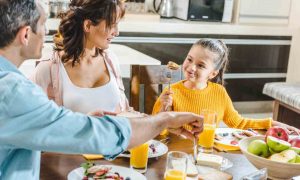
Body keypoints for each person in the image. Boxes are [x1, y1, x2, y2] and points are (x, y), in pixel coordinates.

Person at [0, 1, 203, 179]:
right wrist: (165, 119)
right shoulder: (13, 92)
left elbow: (51, 127)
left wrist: (83, 121)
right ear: (25, 34)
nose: (48, 32)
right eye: (43, 25)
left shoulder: (10, 85)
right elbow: (87, 134)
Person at [152, 39, 300, 134]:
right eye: (189, 59)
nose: (191, 67)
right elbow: (155, 131)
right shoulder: (171, 92)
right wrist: (164, 110)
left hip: (207, 153)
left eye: (201, 65)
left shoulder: (219, 92)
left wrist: (273, 124)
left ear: (212, 74)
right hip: (178, 155)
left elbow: (239, 123)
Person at [31, 0, 130, 114]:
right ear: (87, 25)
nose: (116, 32)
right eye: (112, 25)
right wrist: (86, 124)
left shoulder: (111, 61)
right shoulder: (47, 69)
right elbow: (31, 120)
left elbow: (124, 112)